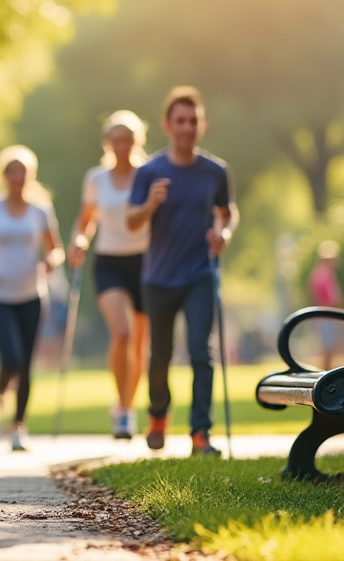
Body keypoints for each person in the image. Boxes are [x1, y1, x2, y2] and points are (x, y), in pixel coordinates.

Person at [127, 86, 237, 457]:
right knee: (160, 355)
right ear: (168, 125)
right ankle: (158, 415)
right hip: (158, 277)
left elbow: (227, 212)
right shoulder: (150, 171)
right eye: (181, 121)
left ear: (201, 126)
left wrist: (223, 233)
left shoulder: (215, 171)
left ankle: (200, 434)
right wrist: (150, 204)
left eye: (193, 121)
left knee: (201, 353)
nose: (187, 127)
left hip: (199, 274)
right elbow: (130, 222)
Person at [0, 145, 64, 452]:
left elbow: (55, 249)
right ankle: (1, 385)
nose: (18, 177)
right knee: (11, 358)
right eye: (12, 172)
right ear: (4, 176)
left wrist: (50, 263)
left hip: (32, 294)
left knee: (26, 363)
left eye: (23, 172)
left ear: (31, 176)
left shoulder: (40, 211)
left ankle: (19, 426)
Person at [67, 110, 150, 440]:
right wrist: (79, 239)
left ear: (137, 141)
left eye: (128, 140)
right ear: (107, 143)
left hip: (146, 262)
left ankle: (127, 405)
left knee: (141, 345)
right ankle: (124, 411)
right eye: (116, 140)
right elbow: (85, 220)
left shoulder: (148, 174)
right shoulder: (96, 178)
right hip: (110, 262)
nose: (122, 146)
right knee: (123, 333)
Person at [308, 240, 344, 369]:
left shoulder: (326, 274)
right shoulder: (321, 275)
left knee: (331, 347)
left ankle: (327, 371)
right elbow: (322, 297)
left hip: (328, 315)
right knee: (328, 348)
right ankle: (325, 372)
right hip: (326, 315)